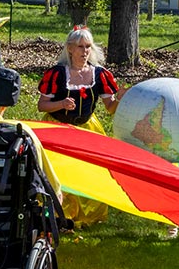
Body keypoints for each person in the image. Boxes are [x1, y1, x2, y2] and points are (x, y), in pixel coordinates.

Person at [37, 26, 120, 226]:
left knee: (90, 171)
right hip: (57, 129)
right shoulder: (57, 74)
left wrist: (123, 100)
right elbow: (42, 105)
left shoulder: (100, 75)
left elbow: (110, 107)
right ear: (70, 49)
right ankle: (60, 216)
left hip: (86, 128)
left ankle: (88, 215)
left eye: (88, 47)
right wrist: (61, 104)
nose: (85, 51)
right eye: (80, 47)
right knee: (59, 173)